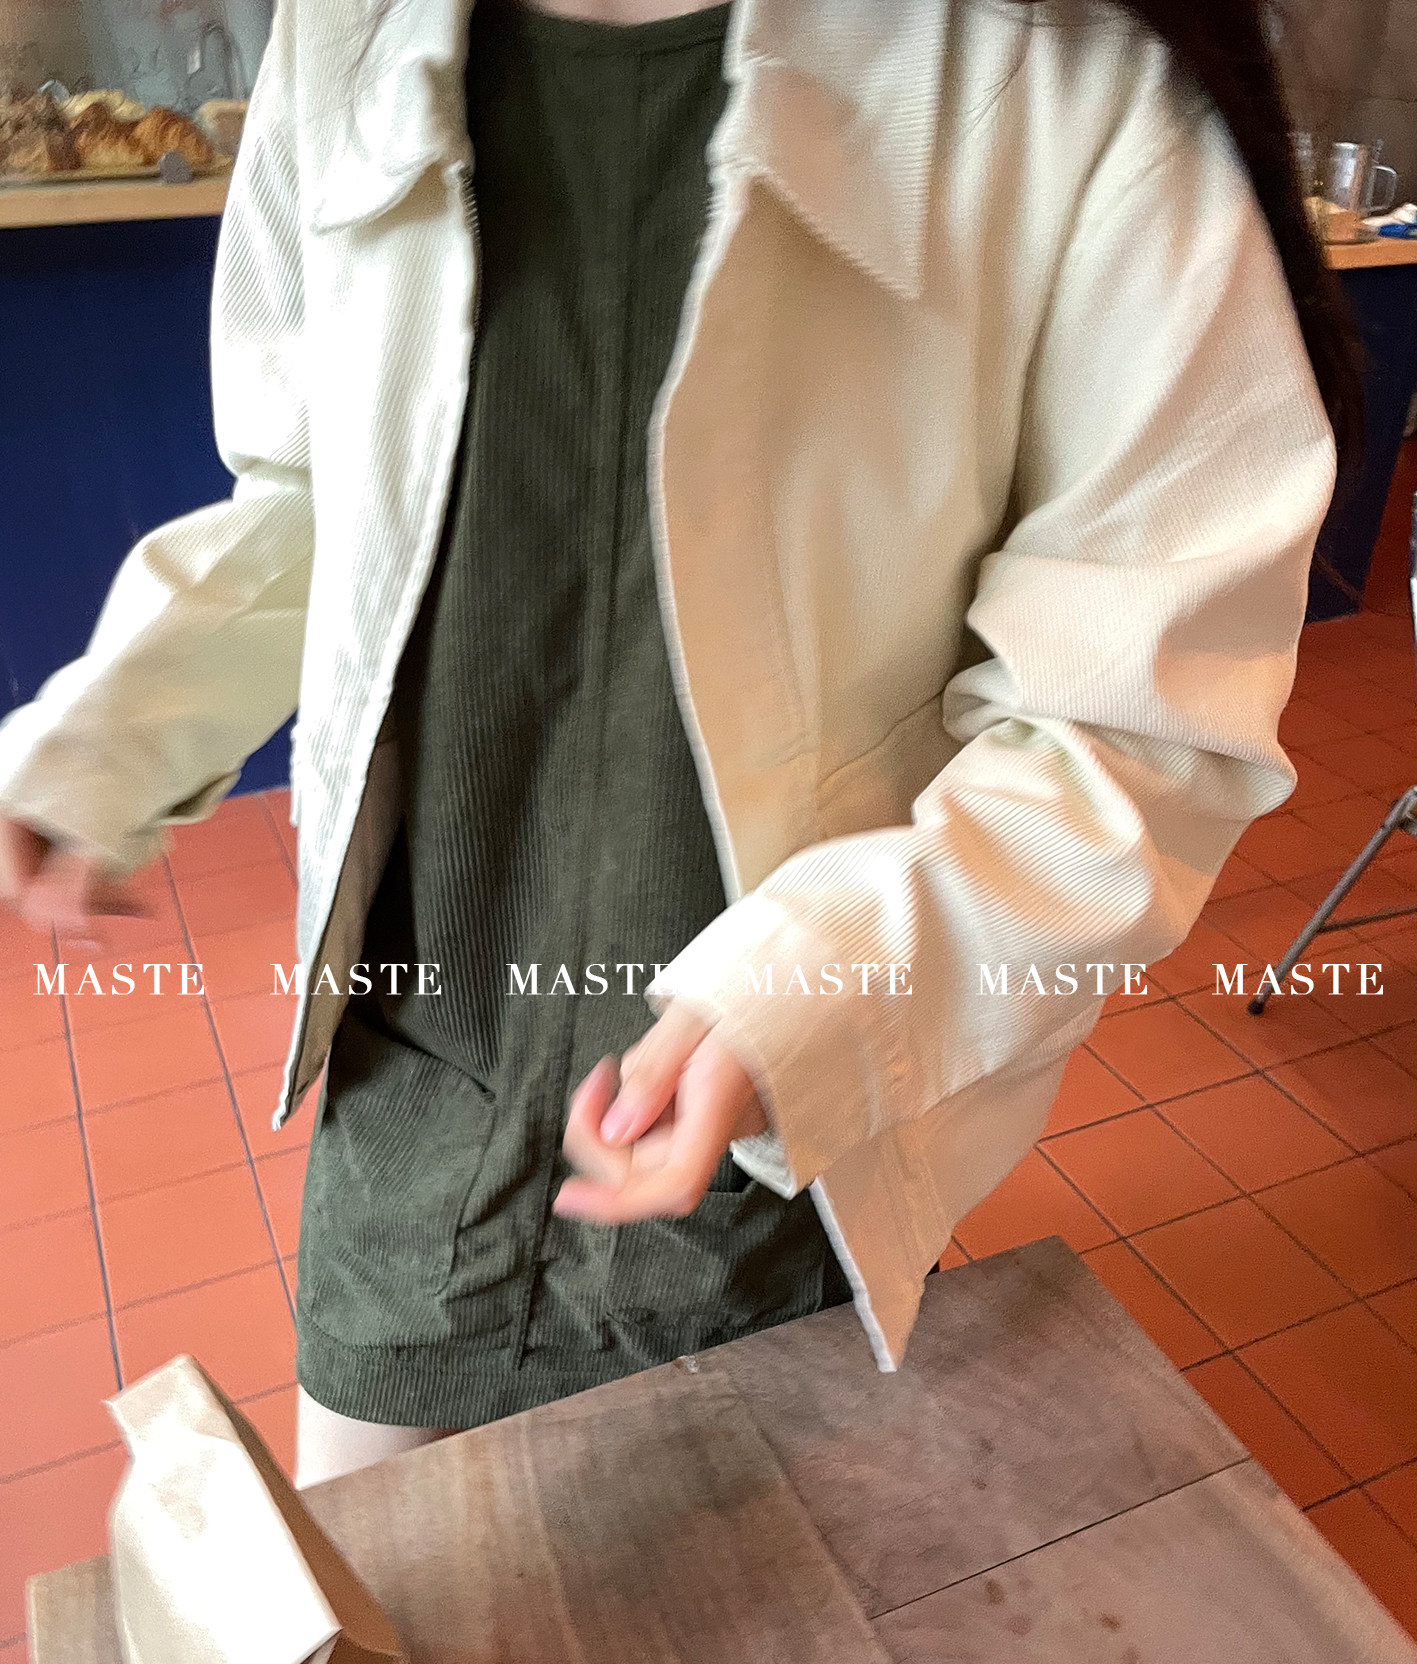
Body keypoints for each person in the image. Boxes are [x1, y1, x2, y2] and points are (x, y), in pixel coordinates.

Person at [0, 0, 1351, 1486]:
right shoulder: (347, 30)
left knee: (748, 1611)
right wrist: (104, 735)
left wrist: (816, 994)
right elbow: (312, 491)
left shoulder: (1062, 76)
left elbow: (1137, 719)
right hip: (419, 1083)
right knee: (392, 1595)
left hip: (782, 1131)